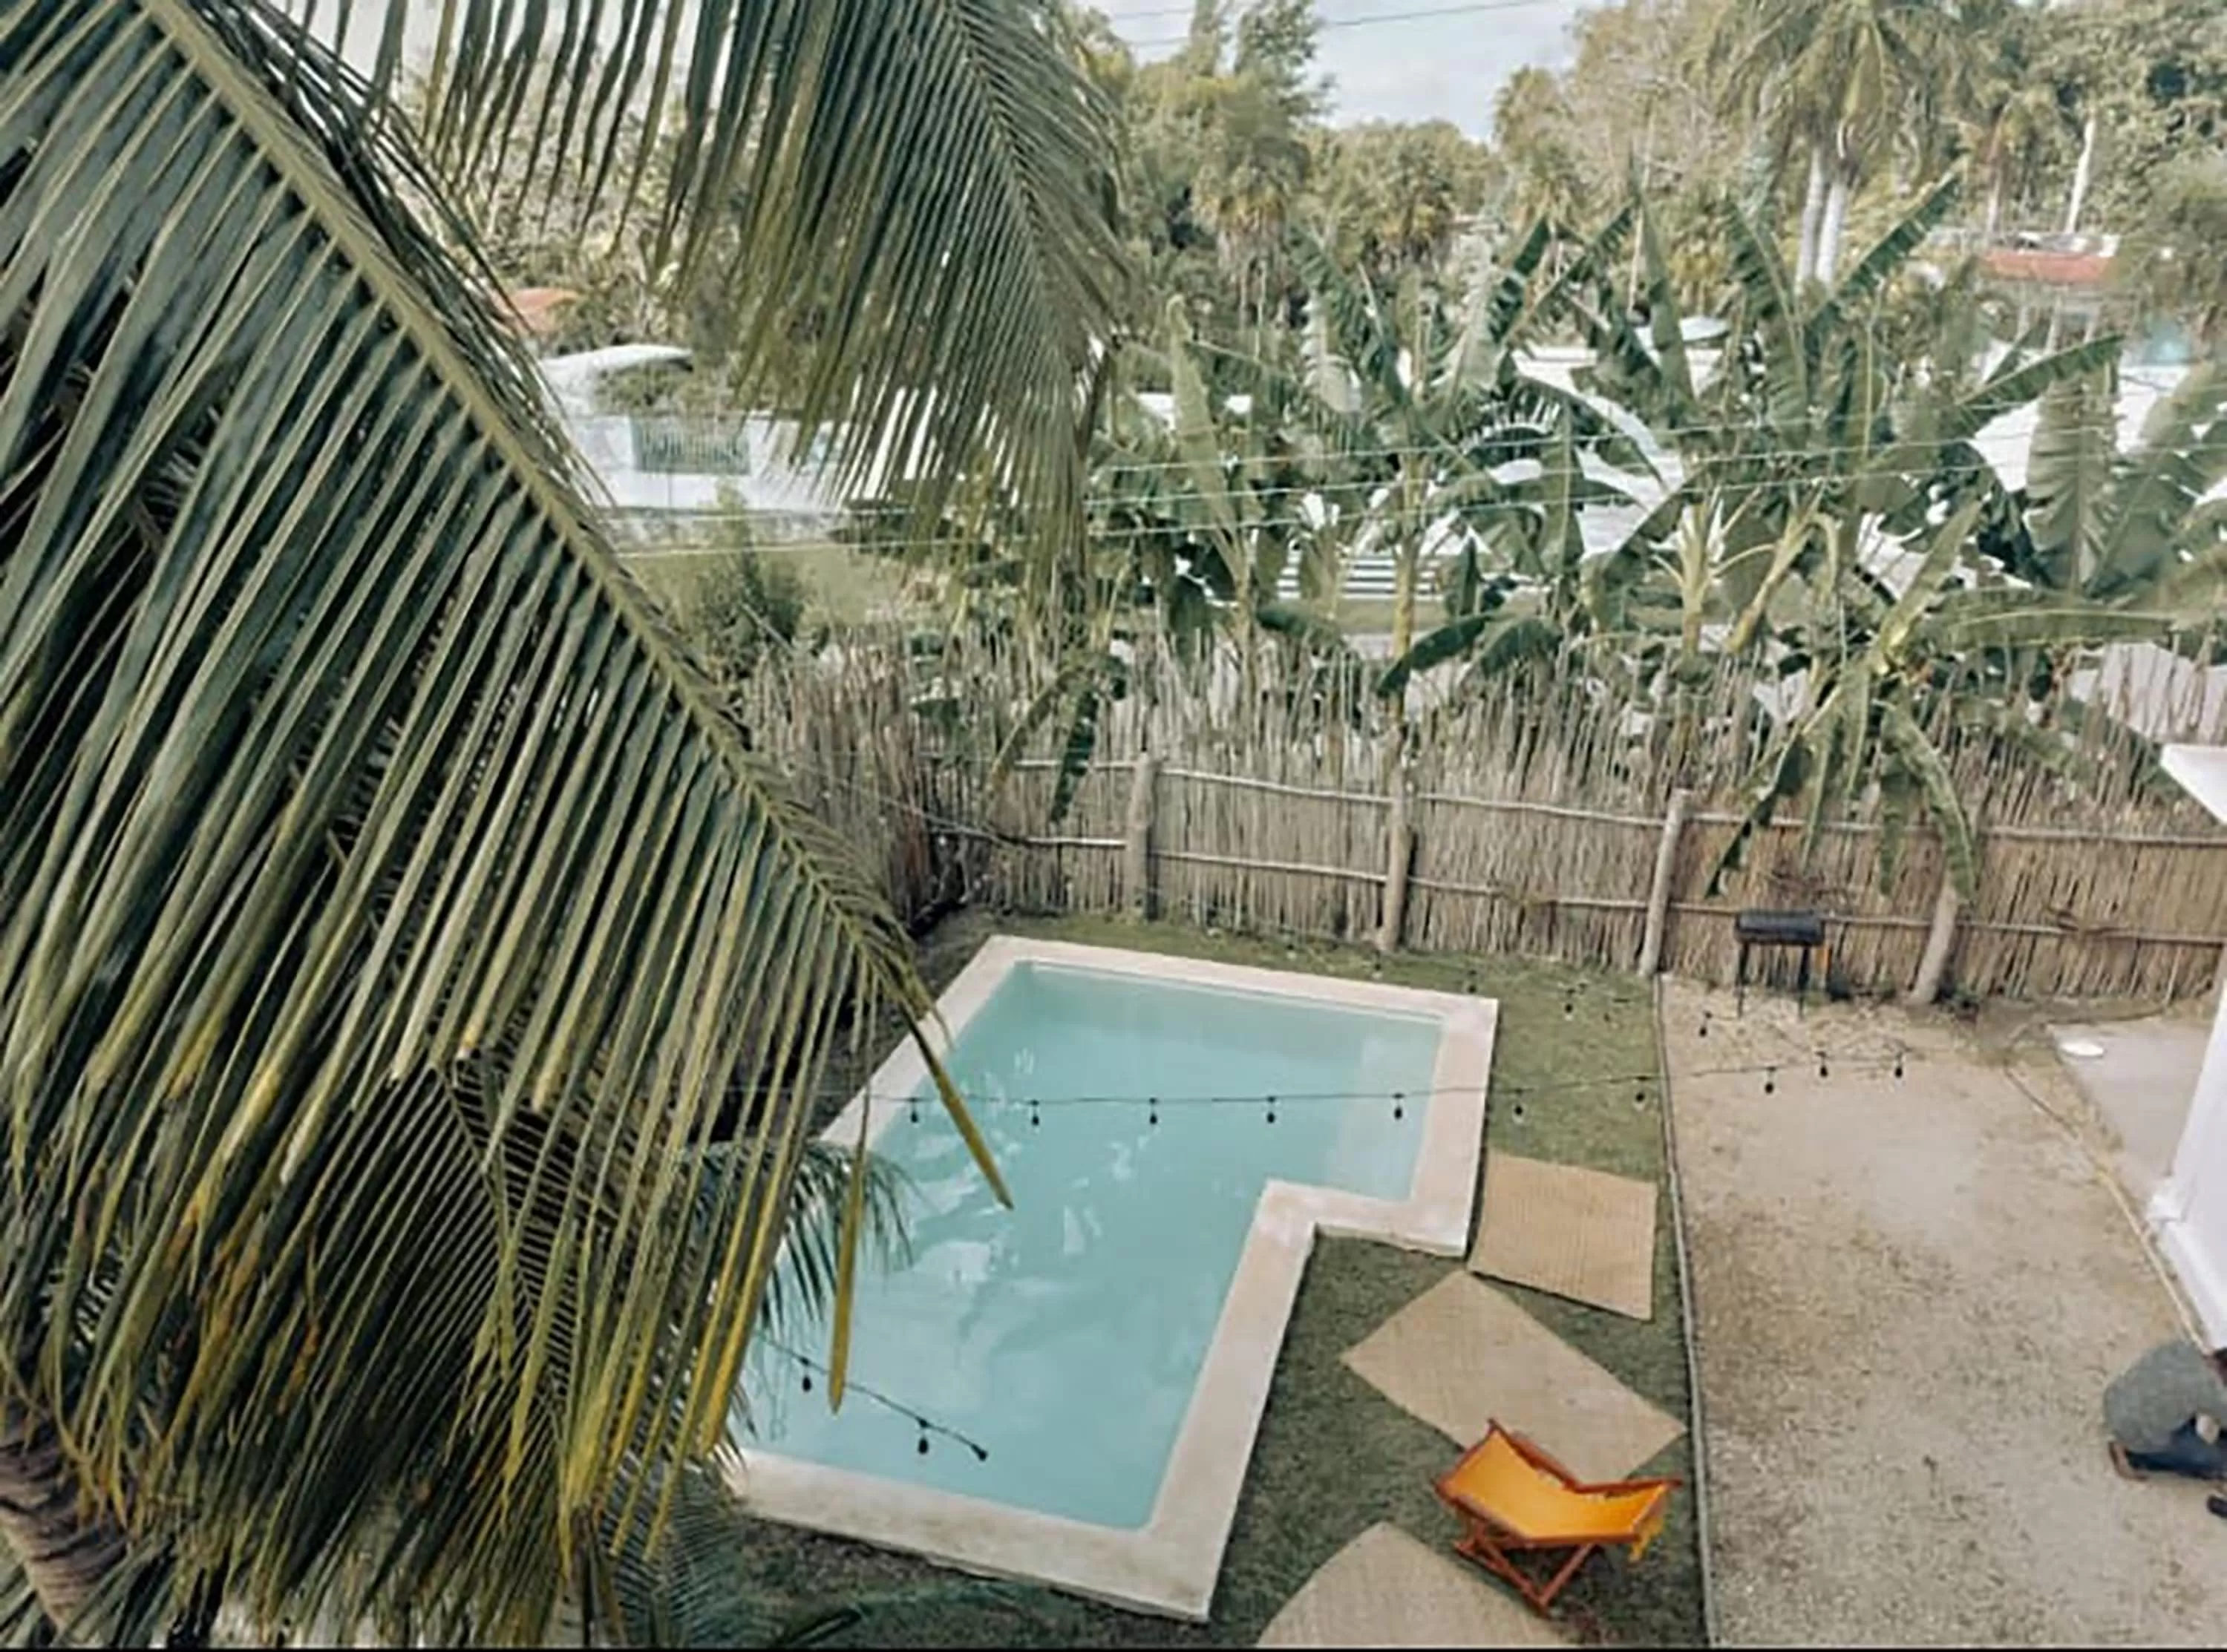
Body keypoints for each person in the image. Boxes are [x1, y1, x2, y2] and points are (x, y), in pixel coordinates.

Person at [2105, 1340, 2227, 1481]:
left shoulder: (2182, 1347)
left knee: (2178, 1401)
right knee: (2216, 1461)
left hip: (2115, 1400)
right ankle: (2131, 1456)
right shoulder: (2212, 1392)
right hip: (2135, 1431)